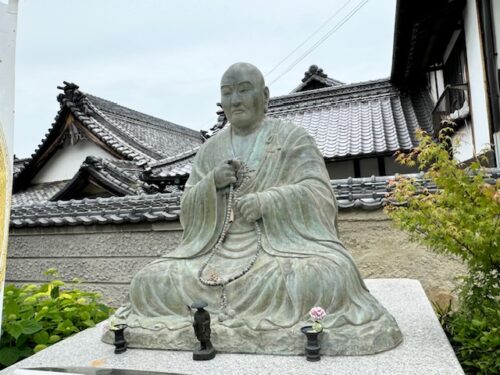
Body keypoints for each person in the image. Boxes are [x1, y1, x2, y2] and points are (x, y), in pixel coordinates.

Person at [106, 62, 402, 355]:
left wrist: (268, 201)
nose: (235, 100)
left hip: (280, 249)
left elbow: (319, 193)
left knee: (328, 276)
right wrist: (212, 185)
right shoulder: (210, 149)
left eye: (244, 90)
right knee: (150, 280)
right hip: (217, 250)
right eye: (227, 93)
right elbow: (187, 208)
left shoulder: (293, 138)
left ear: (265, 95)